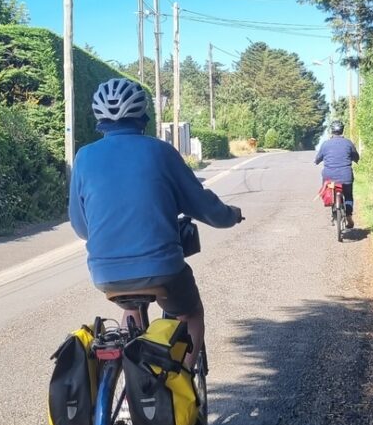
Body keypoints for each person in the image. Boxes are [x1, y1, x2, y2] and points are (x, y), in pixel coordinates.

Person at [69, 77, 243, 368]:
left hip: (105, 273)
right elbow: (201, 205)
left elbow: (80, 226)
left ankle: (126, 385)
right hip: (162, 268)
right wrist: (230, 216)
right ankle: (182, 387)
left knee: (131, 308)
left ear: (99, 120)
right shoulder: (160, 151)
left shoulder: (84, 158)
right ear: (143, 116)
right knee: (191, 314)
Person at [315, 119, 360, 228]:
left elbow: (317, 160)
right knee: (348, 195)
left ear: (331, 131)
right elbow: (356, 157)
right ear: (342, 130)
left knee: (331, 190)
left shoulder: (325, 144)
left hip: (329, 177)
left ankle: (334, 213)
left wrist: (317, 161)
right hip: (346, 176)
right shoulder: (348, 143)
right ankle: (349, 216)